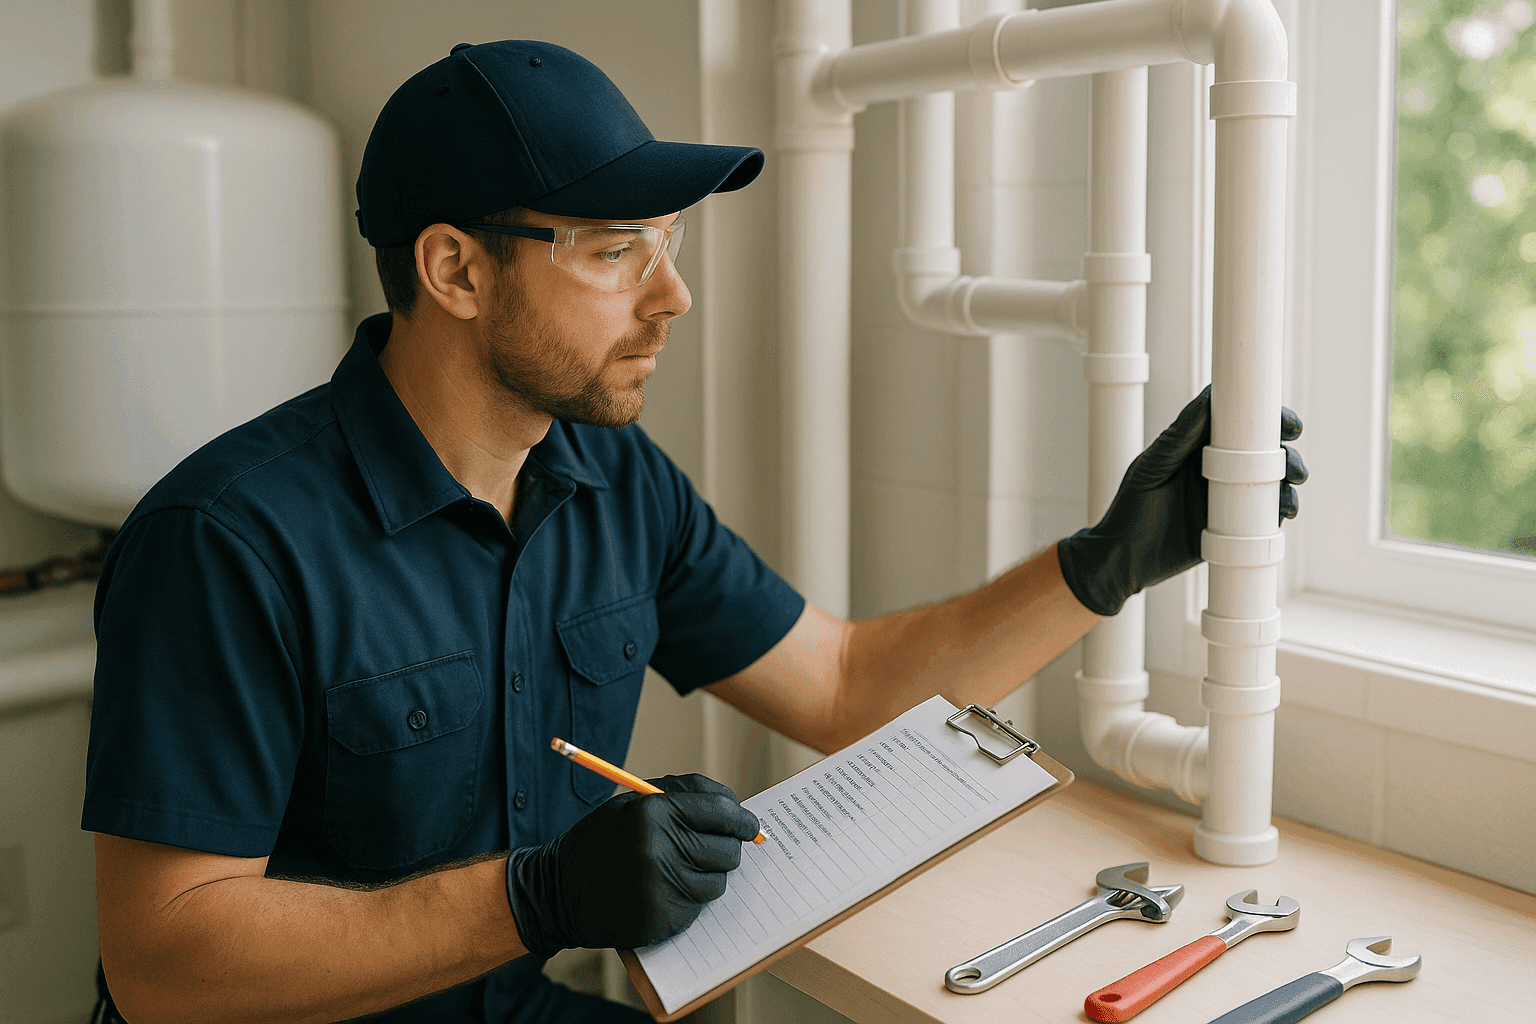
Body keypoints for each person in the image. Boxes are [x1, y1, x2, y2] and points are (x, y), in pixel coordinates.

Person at [82, 40, 1306, 1024]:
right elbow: (166, 963)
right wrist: (540, 896)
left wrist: (1103, 567)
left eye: (668, 247)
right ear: (454, 270)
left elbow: (840, 683)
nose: (671, 298)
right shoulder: (224, 539)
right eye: (618, 253)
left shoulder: (614, 480)